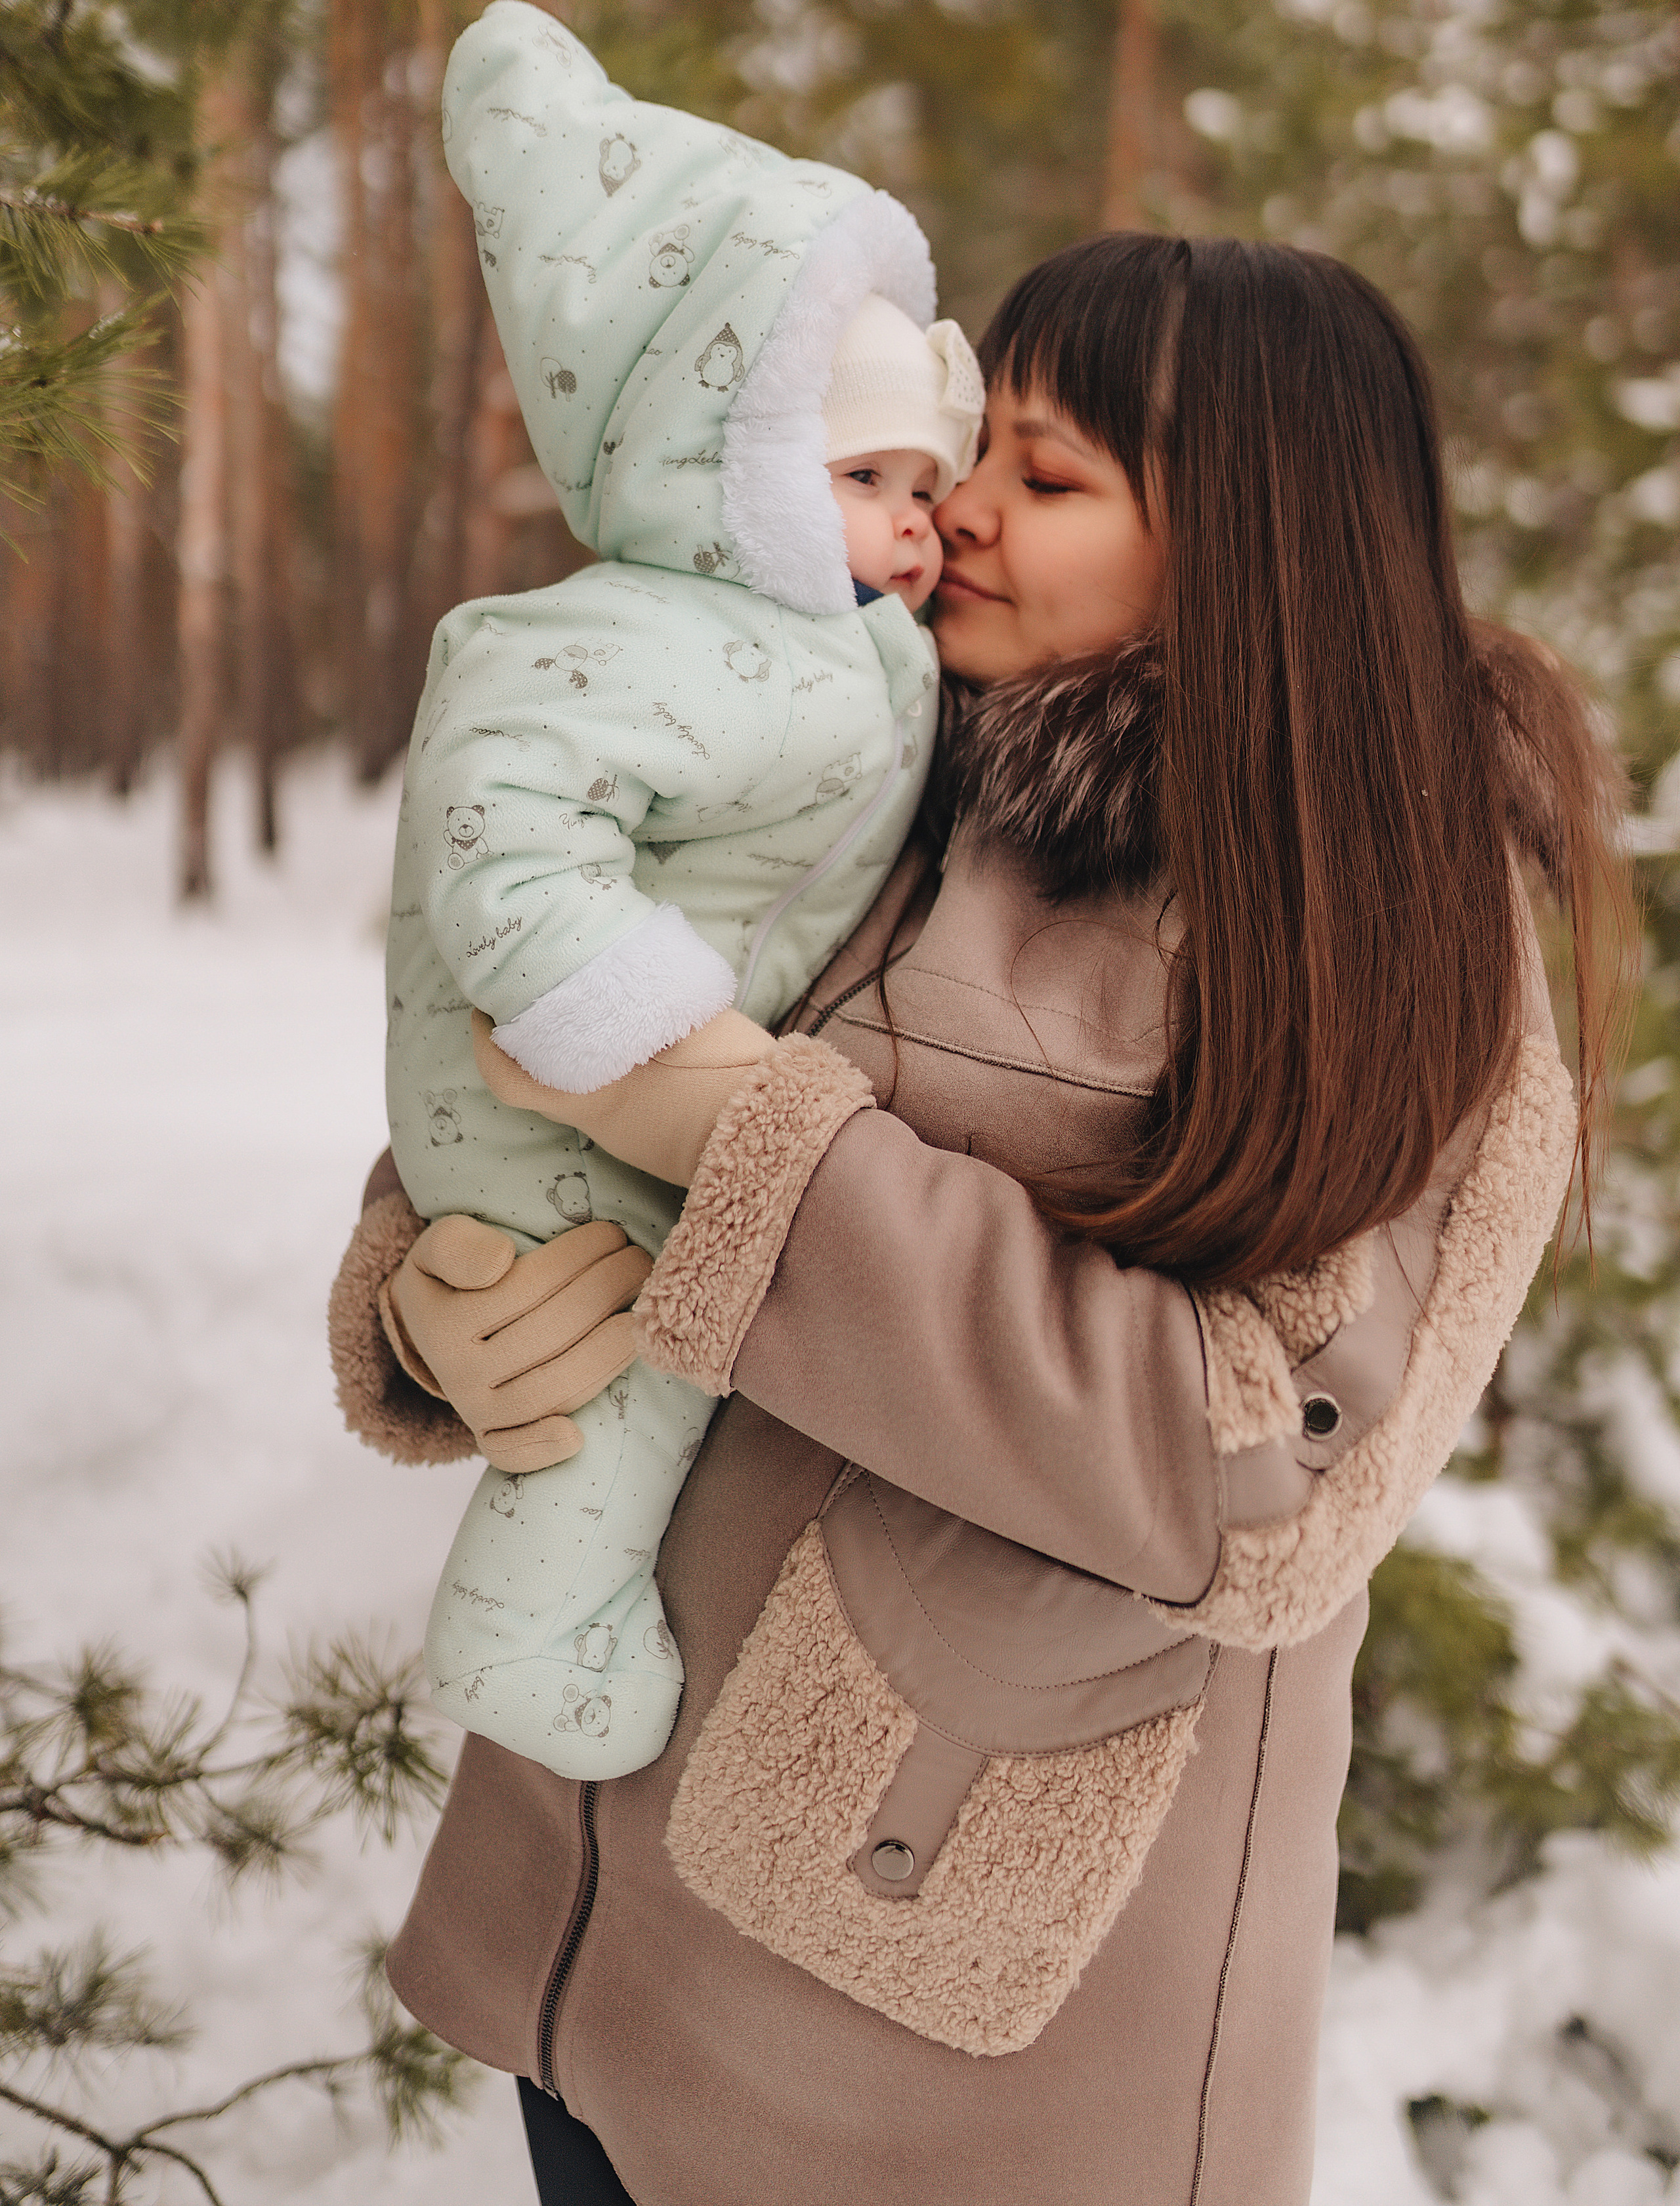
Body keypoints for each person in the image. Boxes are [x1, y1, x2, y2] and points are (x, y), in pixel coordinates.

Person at [329, 230, 1632, 2206]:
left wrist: (751, 1146)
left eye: (1051, 471)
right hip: (600, 1922)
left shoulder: (1394, 924)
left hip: (919, 2037)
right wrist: (429, 1287)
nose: (962, 508)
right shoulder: (882, 751)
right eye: (971, 448)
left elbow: (1251, 1471)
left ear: (1255, 535)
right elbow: (562, 1047)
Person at [386, 0, 981, 1781]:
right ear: (732, 467)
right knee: (641, 1370)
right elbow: (503, 812)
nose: (933, 530)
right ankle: (520, 1633)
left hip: (632, 1097)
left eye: (930, 488)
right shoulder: (674, 636)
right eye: (872, 481)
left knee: (654, 1349)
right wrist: (634, 1036)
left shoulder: (837, 657)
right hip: (569, 1082)